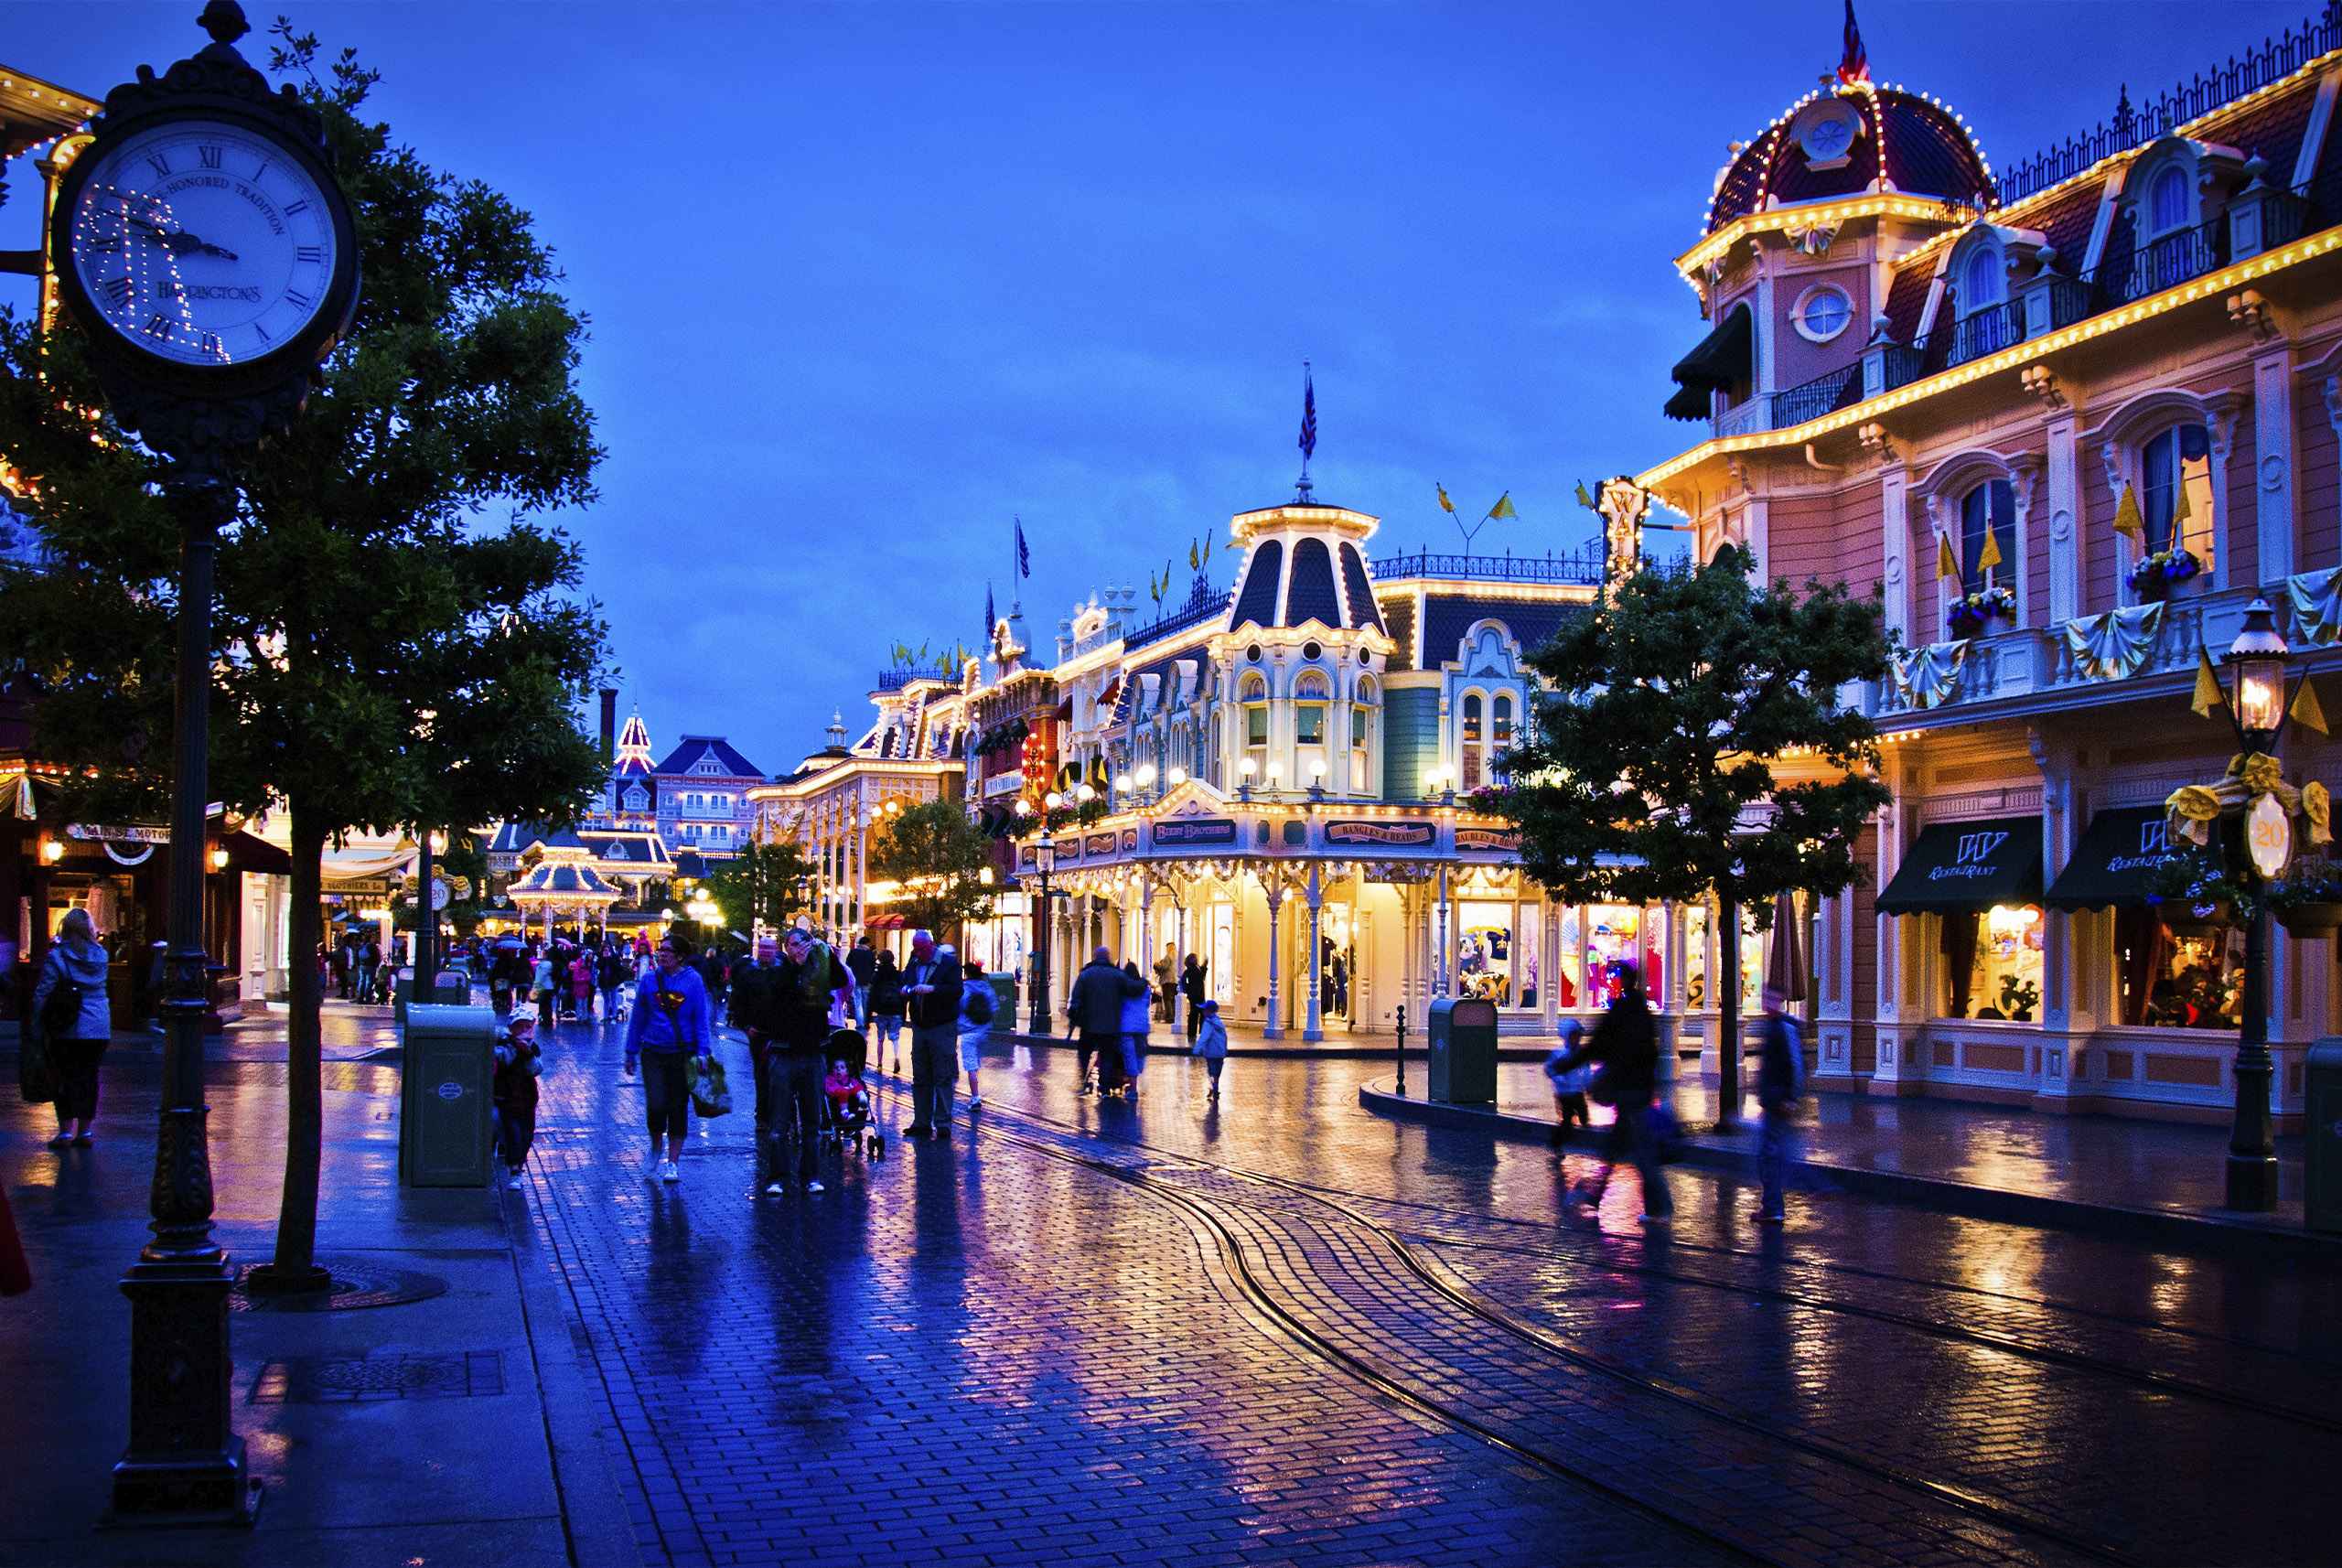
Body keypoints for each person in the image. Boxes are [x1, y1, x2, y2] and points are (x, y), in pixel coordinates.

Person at [1549, 964, 1672, 1224]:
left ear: (1624, 981)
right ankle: (1600, 1196)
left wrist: (1567, 1063)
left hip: (1627, 1090)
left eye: (1616, 977)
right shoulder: (1643, 1013)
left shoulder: (1622, 1012)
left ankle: (1658, 1207)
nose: (1613, 981)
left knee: (1637, 1152)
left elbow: (1597, 1046)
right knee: (1619, 1148)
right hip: (1638, 1090)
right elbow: (1651, 1054)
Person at [760, 928, 853, 1195]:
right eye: (792, 944)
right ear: (786, 947)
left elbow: (839, 981)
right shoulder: (779, 971)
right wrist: (798, 969)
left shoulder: (820, 967)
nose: (798, 949)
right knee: (778, 1120)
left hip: (813, 1051)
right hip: (784, 1051)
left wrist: (829, 955)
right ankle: (776, 1177)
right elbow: (779, 997)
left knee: (813, 1120)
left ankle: (810, 1175)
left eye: (802, 944)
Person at [623, 937, 713, 1183]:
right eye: (660, 950)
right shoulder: (649, 980)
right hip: (653, 1051)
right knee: (656, 1103)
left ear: (680, 956)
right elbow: (638, 1017)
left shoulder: (693, 980)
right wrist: (630, 1051)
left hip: (683, 1052)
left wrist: (703, 1052)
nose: (661, 954)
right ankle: (655, 1145)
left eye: (667, 951)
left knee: (677, 1106)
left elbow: (700, 1018)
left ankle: (672, 1163)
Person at [32, 908, 114, 1148]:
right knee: (89, 1077)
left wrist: (37, 1026)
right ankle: (86, 1131)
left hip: (67, 1024)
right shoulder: (102, 956)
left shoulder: (56, 957)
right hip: (98, 1025)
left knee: (65, 1076)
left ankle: (65, 1132)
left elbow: (43, 993)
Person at [900, 929, 963, 1139]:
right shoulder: (913, 963)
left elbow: (956, 991)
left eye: (921, 949)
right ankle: (922, 1122)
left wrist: (932, 989)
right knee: (921, 1076)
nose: (917, 953)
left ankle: (943, 1123)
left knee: (943, 1075)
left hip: (941, 1027)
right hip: (920, 1027)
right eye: (915, 949)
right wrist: (906, 990)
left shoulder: (948, 964)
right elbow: (906, 981)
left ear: (930, 946)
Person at [1754, 983, 1805, 1225]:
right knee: (1774, 1154)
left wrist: (1791, 1098)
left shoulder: (1784, 1026)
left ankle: (1774, 1207)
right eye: (1766, 999)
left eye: (1773, 999)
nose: (1769, 1003)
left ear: (1781, 1001)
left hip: (1779, 1103)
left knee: (1769, 1155)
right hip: (1773, 1102)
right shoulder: (1773, 1026)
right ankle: (1773, 1206)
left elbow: (1795, 1064)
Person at [1068, 946, 1146, 1094]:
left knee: (1084, 1052)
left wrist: (1073, 1017)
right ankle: (1105, 1088)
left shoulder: (1086, 974)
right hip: (1110, 1025)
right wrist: (1144, 981)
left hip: (1089, 1024)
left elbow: (1076, 998)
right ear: (1108, 957)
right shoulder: (1116, 975)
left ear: (1095, 956)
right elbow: (1133, 988)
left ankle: (1083, 1081)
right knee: (1107, 1057)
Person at [492, 1015, 542, 1186]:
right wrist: (515, 1048)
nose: (523, 1031)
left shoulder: (533, 1047)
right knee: (514, 1133)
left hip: (527, 1099)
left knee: (527, 1135)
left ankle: (516, 1160)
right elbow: (504, 1061)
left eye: (526, 1026)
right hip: (507, 1098)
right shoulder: (503, 1044)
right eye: (518, 1026)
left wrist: (528, 1054)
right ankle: (515, 1170)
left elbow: (536, 1070)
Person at [1542, 1021, 1592, 1153]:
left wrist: (1587, 1083)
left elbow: (1586, 1070)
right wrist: (1561, 1081)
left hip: (1577, 1090)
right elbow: (1550, 1070)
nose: (1576, 1039)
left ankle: (1587, 1135)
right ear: (1567, 1036)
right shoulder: (1559, 1053)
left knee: (1583, 1111)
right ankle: (1556, 1142)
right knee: (1567, 1118)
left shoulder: (1580, 1052)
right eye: (1573, 1036)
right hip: (1564, 1093)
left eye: (1578, 1037)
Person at [958, 959, 996, 1108]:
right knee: (977, 1062)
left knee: (971, 1065)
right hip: (983, 1030)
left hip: (968, 1032)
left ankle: (975, 1098)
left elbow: (960, 1007)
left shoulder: (965, 989)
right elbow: (993, 1007)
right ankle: (977, 1089)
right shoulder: (987, 988)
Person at [1118, 959, 1152, 1099]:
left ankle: (1133, 1088)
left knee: (1129, 1056)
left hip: (1126, 1026)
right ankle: (1135, 1080)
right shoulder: (1146, 988)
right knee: (1139, 1055)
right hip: (1142, 1025)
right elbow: (1146, 1005)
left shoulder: (1122, 988)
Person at [869, 948, 906, 1073]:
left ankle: (879, 1064)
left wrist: (869, 1013)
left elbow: (873, 994)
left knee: (880, 1038)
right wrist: (902, 1012)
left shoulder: (877, 975)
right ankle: (896, 1057)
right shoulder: (898, 975)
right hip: (895, 1010)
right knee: (895, 1038)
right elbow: (902, 994)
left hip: (882, 1010)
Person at [1191, 998, 1228, 1101]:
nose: (1203, 1012)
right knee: (1217, 1072)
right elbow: (1225, 1037)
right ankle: (1215, 1086)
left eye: (1204, 1010)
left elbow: (1204, 1037)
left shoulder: (1208, 1023)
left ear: (1209, 1011)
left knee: (1211, 1071)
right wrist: (1225, 1049)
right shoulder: (1219, 1022)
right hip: (1220, 1052)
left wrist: (1196, 1049)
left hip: (1211, 1052)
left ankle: (1214, 1086)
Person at [846, 935, 876, 1028]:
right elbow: (873, 967)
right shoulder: (871, 954)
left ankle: (859, 1023)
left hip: (856, 980)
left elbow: (848, 964)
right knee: (865, 1002)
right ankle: (865, 1022)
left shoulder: (853, 952)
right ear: (867, 943)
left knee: (858, 1001)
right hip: (867, 981)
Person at [1180, 953, 1209, 1043]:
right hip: (1197, 994)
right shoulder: (1192, 970)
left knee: (1195, 1013)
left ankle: (1192, 1032)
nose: (1196, 959)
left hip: (1195, 994)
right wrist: (1189, 989)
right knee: (1198, 1013)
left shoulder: (1192, 969)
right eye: (1195, 958)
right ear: (1191, 960)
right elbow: (1199, 976)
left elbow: (1187, 980)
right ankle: (1196, 1031)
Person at [597, 943, 628, 1023]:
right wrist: (604, 958)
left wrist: (610, 958)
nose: (606, 951)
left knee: (614, 999)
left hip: (613, 981)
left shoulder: (615, 957)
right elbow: (598, 966)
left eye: (608, 949)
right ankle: (605, 1016)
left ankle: (614, 1016)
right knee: (606, 1000)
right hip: (604, 981)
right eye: (605, 949)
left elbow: (617, 967)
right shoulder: (601, 957)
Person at [532, 946, 557, 1030]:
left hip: (544, 987)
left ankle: (546, 1019)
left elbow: (540, 976)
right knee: (548, 1003)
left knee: (544, 1003)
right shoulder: (549, 963)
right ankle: (548, 1019)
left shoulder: (545, 964)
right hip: (548, 986)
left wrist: (536, 987)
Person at [1153, 943, 1177, 1026]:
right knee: (1173, 999)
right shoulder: (1178, 957)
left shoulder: (1168, 956)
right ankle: (1174, 1016)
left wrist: (1157, 965)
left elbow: (1164, 967)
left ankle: (1169, 1017)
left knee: (1167, 999)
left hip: (1167, 981)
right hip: (1175, 981)